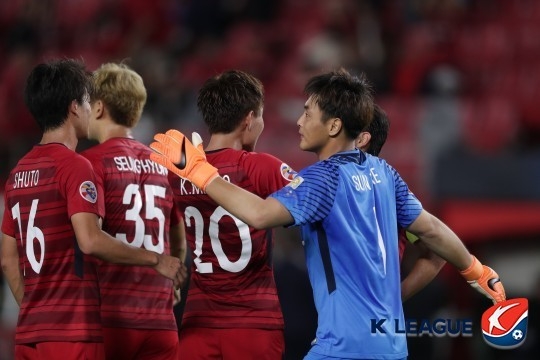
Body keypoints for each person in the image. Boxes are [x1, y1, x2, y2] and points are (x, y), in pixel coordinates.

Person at [150, 68, 506, 360]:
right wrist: (476, 269)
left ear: (334, 126)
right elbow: (433, 232)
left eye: (308, 112)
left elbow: (259, 215)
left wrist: (200, 172)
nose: (300, 120)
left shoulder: (319, 180)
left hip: (342, 348)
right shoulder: (385, 174)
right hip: (391, 346)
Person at [0, 58, 185, 360]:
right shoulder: (80, 167)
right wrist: (161, 263)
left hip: (41, 329)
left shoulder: (18, 173)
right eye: (86, 100)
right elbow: (91, 240)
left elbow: (8, 260)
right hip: (109, 324)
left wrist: (36, 312)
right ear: (75, 107)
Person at [168, 69, 295, 359]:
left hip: (197, 324)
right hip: (253, 323)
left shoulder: (180, 173)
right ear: (249, 118)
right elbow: (318, 201)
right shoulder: (260, 167)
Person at [80, 62, 187, 360]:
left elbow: (90, 238)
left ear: (99, 107)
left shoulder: (89, 163)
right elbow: (178, 237)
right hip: (160, 322)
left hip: (110, 318)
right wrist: (172, 277)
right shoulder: (162, 164)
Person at [356, 104, 446, 301]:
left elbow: (437, 251)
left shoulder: (391, 196)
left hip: (370, 322)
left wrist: (396, 297)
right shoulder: (327, 183)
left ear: (361, 139)